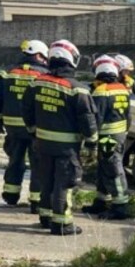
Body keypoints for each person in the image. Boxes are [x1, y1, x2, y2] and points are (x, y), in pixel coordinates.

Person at [22, 40, 97, 235]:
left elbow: (27, 110)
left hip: (42, 144)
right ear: (71, 60)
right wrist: (92, 142)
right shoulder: (78, 89)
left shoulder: (36, 83)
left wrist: (33, 131)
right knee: (64, 184)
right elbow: (87, 120)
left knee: (46, 180)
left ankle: (46, 217)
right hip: (67, 148)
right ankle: (62, 224)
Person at [0, 40, 50, 213]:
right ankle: (36, 201)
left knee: (15, 160)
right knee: (38, 164)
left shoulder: (6, 72)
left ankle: (10, 195)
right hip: (35, 128)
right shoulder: (44, 75)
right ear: (39, 55)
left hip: (12, 126)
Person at [83, 55, 132, 219]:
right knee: (104, 168)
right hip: (118, 135)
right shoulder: (122, 88)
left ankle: (120, 207)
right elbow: (128, 115)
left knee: (113, 170)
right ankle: (101, 202)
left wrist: (90, 141)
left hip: (107, 137)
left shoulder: (101, 91)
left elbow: (96, 119)